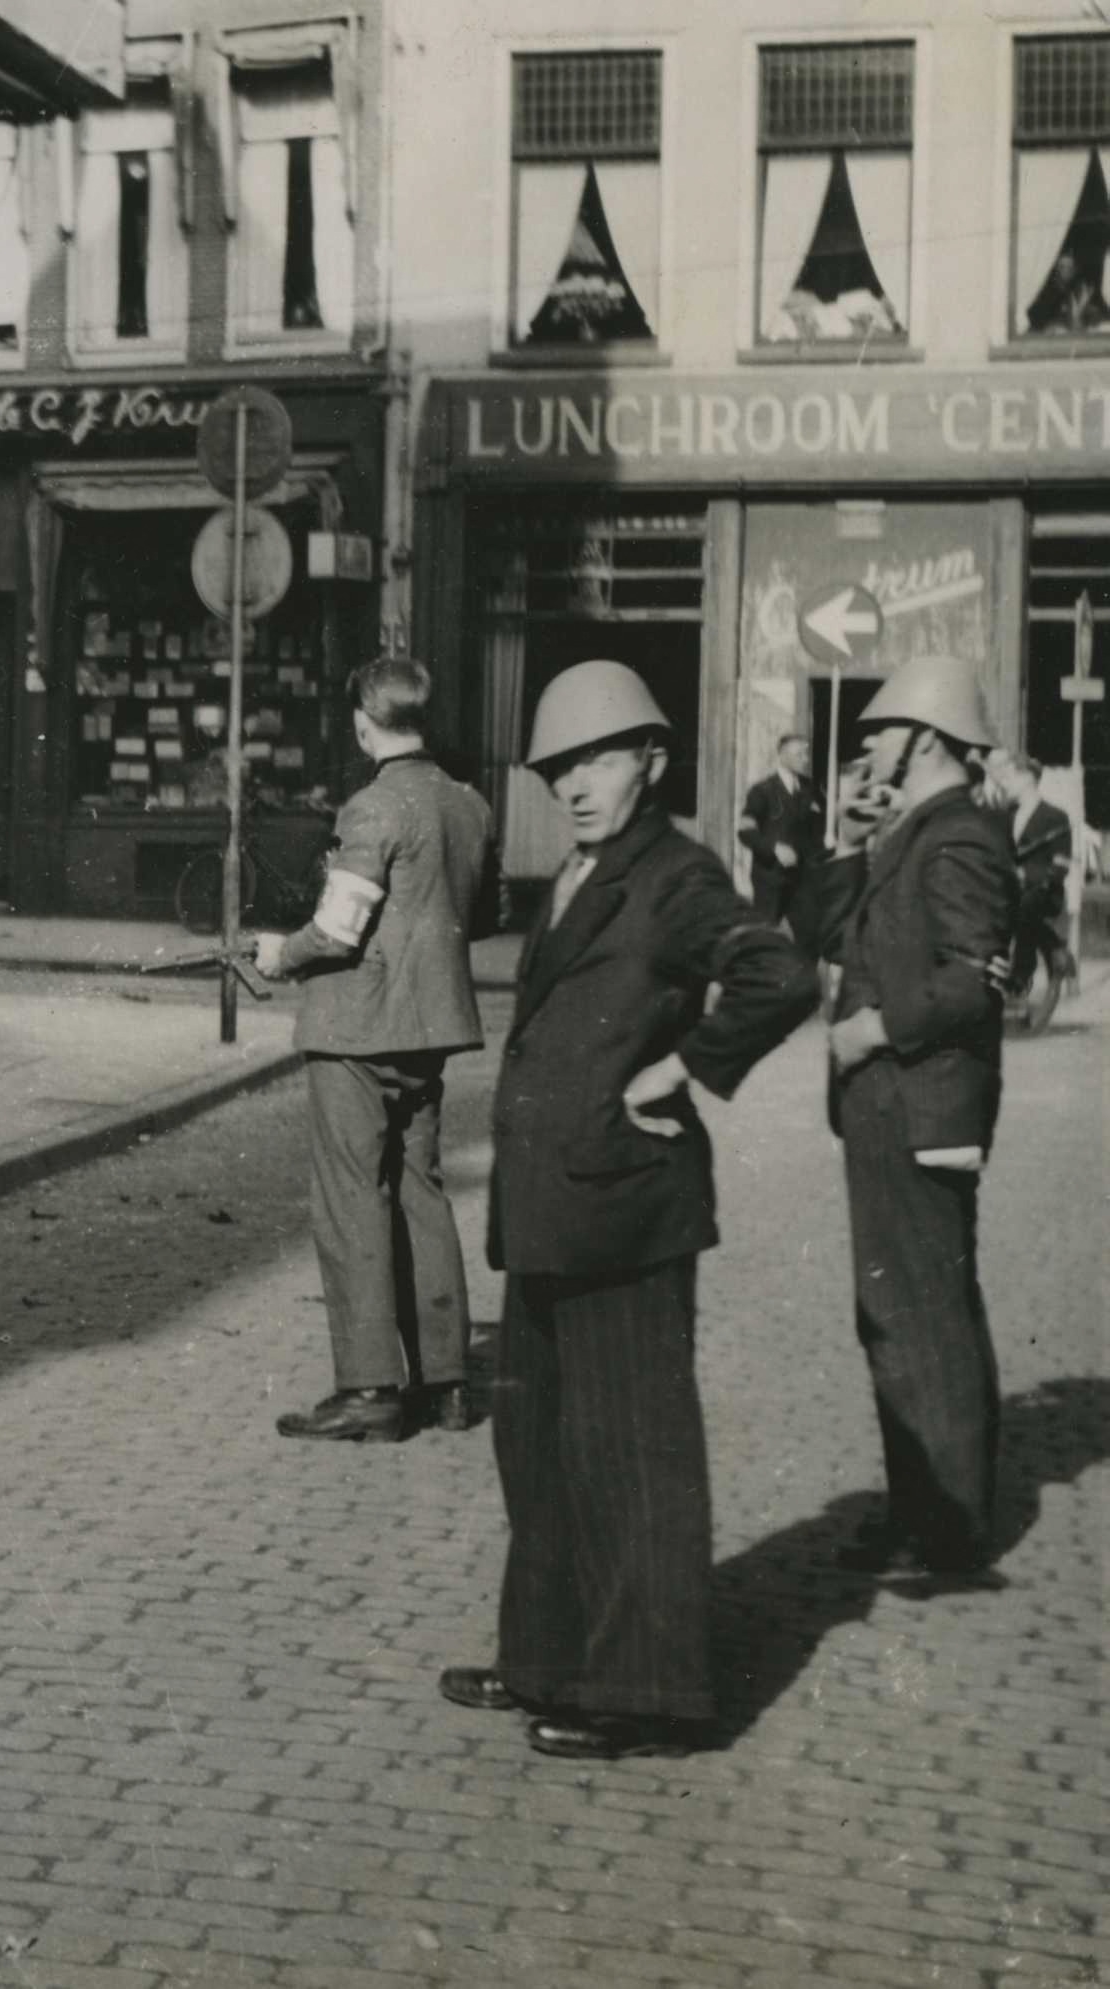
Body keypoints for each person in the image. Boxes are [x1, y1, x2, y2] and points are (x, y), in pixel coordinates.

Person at [444, 659, 814, 1760]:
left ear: (650, 761)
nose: (577, 784)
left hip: (625, 1208)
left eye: (600, 760)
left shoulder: (676, 875)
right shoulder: (585, 869)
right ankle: (548, 1658)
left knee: (629, 1451)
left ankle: (645, 1692)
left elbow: (780, 974)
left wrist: (686, 1068)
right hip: (562, 1204)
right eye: (561, 768)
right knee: (542, 1445)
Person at [252, 656, 495, 1443]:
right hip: (432, 1028)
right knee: (422, 1192)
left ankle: (368, 1387)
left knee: (352, 1198)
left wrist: (278, 955)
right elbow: (478, 915)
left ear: (364, 720)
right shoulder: (469, 806)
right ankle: (448, 1383)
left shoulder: (370, 808)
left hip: (356, 1029)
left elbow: (337, 929)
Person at [811, 659, 1017, 1584]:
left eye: (879, 733)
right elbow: (821, 927)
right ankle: (920, 1508)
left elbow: (971, 981)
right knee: (896, 1313)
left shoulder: (959, 836)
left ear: (926, 738)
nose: (864, 748)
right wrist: (853, 837)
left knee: (924, 1315)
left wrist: (870, 1029)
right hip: (890, 1105)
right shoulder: (913, 830)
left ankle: (951, 1533)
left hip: (916, 1100)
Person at [987, 747, 1079, 1009]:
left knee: (1025, 906)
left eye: (1010, 776)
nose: (1006, 782)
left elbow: (1061, 864)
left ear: (1028, 777)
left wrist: (1026, 875)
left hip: (1044, 892)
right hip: (1011, 890)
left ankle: (1020, 975)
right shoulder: (1007, 816)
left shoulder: (1055, 815)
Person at [738, 732, 824, 940]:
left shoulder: (810, 789)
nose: (805, 759)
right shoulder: (762, 791)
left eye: (806, 754)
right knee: (764, 936)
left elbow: (818, 829)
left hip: (803, 878)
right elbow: (745, 832)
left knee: (809, 937)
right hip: (770, 878)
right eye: (798, 754)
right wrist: (774, 848)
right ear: (782, 755)